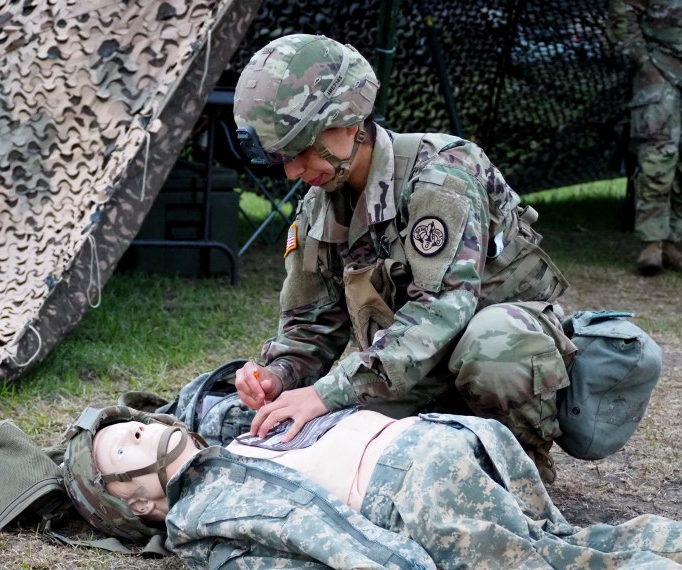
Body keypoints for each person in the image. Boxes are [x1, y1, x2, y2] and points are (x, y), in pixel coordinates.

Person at [231, 33, 574, 482]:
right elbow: (311, 324)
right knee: (317, 435)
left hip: (500, 354)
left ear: (349, 122)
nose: (293, 172)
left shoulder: (441, 177)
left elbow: (442, 310)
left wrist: (327, 392)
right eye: (282, 158)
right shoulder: (320, 203)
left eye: (301, 150)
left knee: (493, 346)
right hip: (409, 367)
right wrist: (278, 375)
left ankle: (522, 469)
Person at [62, 404, 682, 569]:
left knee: (557, 547)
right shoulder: (201, 513)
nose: (141, 428)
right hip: (419, 485)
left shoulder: (226, 438)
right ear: (138, 502)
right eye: (126, 443)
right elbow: (311, 534)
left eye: (136, 424)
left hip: (441, 441)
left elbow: (194, 394)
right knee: (563, 551)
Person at [606, 0, 682, 275]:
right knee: (657, 159)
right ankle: (652, 243)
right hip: (660, 74)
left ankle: (675, 242)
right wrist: (644, 63)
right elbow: (621, 11)